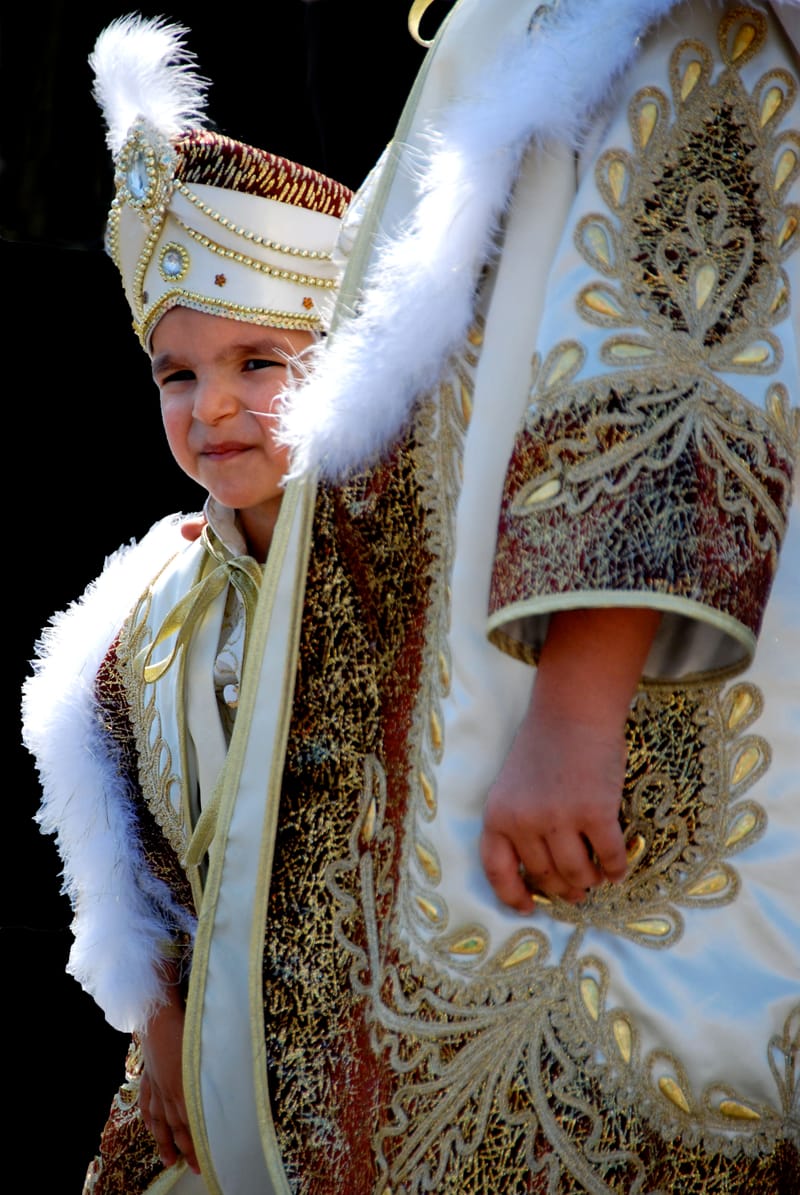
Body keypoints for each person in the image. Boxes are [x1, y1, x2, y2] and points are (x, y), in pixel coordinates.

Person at [203, 0, 798, 1191]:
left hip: (581, 740)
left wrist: (577, 710)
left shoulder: (674, 15)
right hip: (483, 717)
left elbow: (681, 335)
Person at [20, 14, 351, 1193]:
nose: (213, 407)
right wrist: (156, 1013)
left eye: (260, 362)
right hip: (201, 1079)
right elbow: (149, 848)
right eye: (178, 373)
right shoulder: (145, 612)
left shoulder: (390, 568)